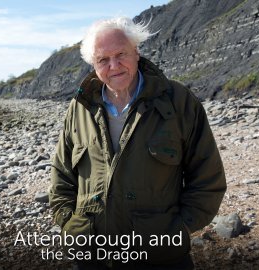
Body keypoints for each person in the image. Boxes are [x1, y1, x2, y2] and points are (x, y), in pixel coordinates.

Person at [49, 17, 226, 269]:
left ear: (136, 52)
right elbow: (61, 176)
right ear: (93, 64)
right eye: (103, 59)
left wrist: (177, 229)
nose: (114, 65)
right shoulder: (80, 107)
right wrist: (70, 224)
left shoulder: (178, 101)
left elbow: (208, 178)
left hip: (160, 257)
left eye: (121, 54)